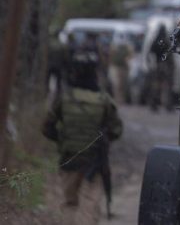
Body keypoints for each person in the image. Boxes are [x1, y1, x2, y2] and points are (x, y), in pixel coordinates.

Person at [42, 51, 122, 224]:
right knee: (90, 205)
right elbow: (116, 130)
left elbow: (47, 128)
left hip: (69, 157)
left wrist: (63, 140)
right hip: (95, 160)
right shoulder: (104, 100)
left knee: (69, 203)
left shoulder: (64, 98)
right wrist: (101, 140)